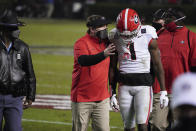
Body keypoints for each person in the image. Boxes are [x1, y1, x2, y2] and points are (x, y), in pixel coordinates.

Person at [109, 8, 168, 131]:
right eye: (124, 34)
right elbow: (112, 67)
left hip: (143, 85)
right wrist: (112, 91)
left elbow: (157, 64)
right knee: (128, 126)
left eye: (130, 33)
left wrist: (163, 90)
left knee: (143, 124)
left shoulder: (148, 33)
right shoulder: (114, 35)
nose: (127, 36)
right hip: (124, 84)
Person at [149, 7, 196, 131]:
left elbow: (194, 68)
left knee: (180, 126)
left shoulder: (191, 37)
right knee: (157, 125)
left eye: (168, 19)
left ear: (179, 20)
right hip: (160, 88)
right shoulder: (158, 35)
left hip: (181, 91)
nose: (165, 21)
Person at [71, 15, 115, 131]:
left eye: (106, 25)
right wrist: (103, 54)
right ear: (92, 29)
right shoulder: (81, 43)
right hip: (82, 99)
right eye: (101, 26)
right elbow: (83, 60)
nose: (105, 28)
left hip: (102, 99)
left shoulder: (107, 43)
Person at [0, 9, 36, 131]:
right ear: (4, 30)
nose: (17, 31)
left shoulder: (23, 47)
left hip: (15, 98)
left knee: (14, 129)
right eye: (13, 28)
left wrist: (30, 96)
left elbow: (30, 72)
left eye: (17, 27)